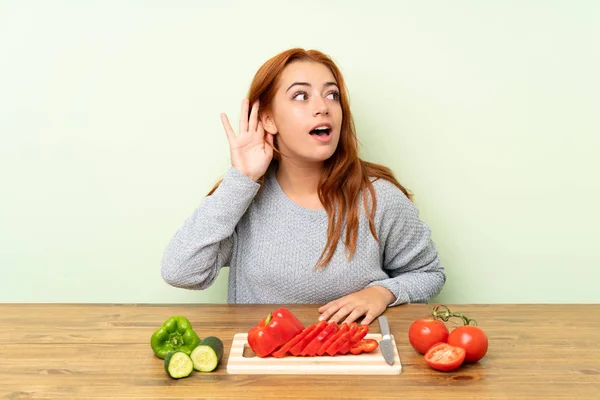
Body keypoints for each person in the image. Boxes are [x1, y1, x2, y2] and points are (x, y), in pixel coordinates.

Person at [161, 48, 445, 326]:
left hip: (353, 360)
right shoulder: (243, 198)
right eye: (301, 95)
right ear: (268, 119)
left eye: (332, 95)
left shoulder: (378, 198)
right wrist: (241, 179)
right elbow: (181, 271)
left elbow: (429, 273)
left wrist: (382, 293)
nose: (323, 107)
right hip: (261, 365)